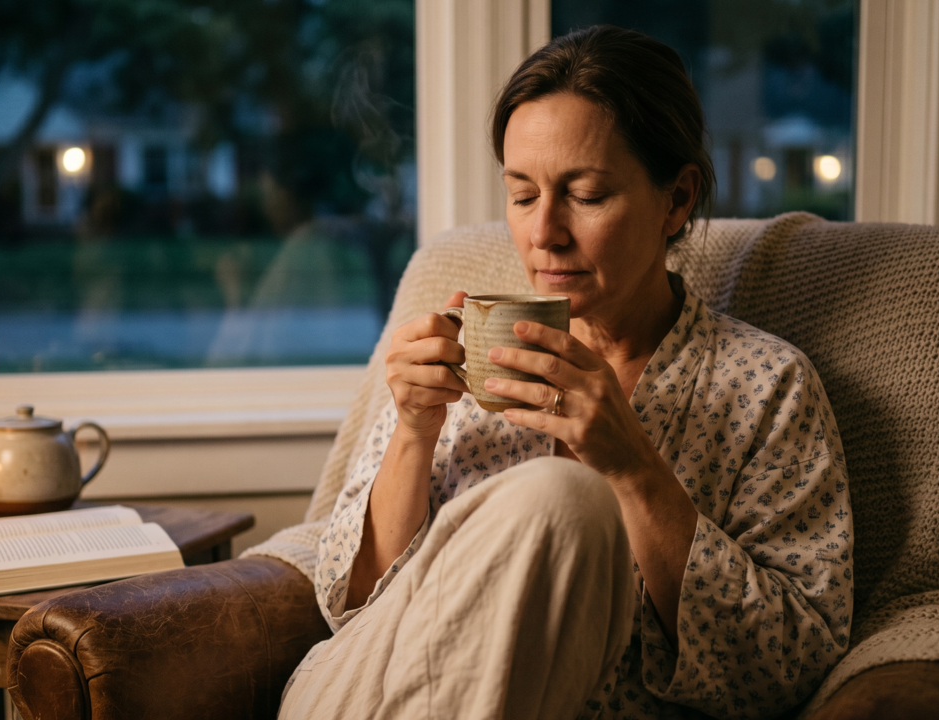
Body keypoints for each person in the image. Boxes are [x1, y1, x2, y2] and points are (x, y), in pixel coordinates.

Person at [280, 25, 852, 720]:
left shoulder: (766, 387)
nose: (543, 232)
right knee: (560, 495)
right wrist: (413, 430)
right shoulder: (461, 356)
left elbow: (787, 665)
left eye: (584, 195)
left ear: (676, 199)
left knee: (568, 498)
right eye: (522, 196)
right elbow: (349, 603)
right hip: (361, 689)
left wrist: (633, 468)